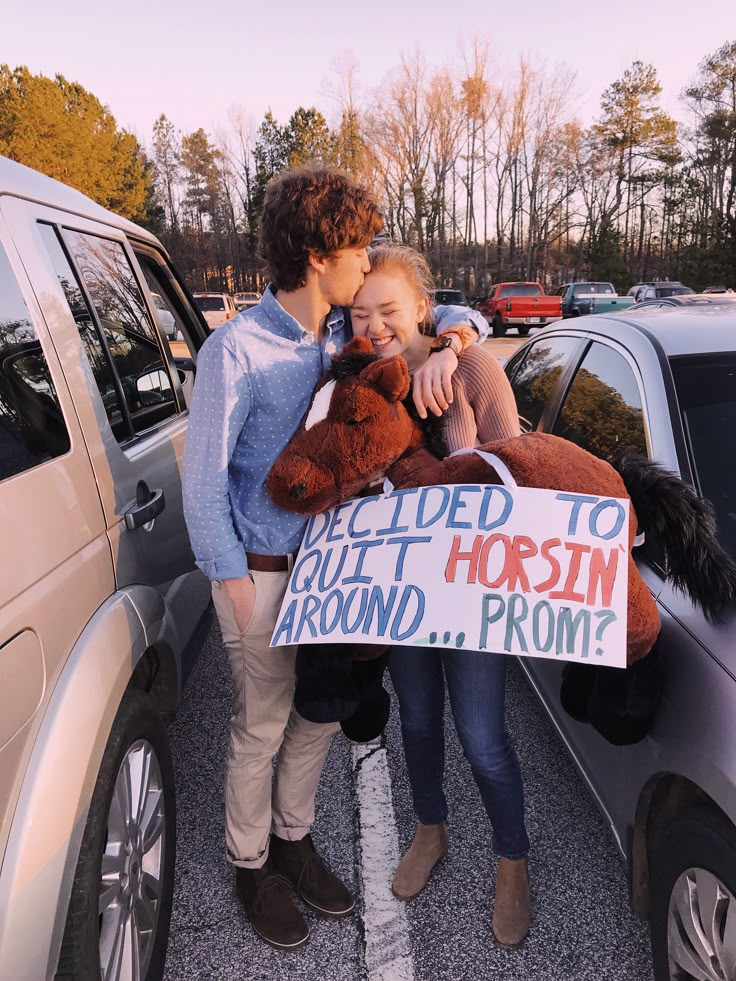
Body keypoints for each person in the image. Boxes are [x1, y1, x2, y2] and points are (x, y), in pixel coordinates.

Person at [181, 168, 485, 951]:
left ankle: (294, 840)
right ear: (319, 257)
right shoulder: (233, 350)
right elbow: (204, 477)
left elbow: (440, 308)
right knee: (262, 723)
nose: (366, 261)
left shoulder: (337, 335)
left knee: (317, 719)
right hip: (259, 570)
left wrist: (454, 342)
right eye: (356, 249)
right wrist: (230, 575)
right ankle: (250, 866)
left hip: (330, 570)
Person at [350, 243, 531, 948]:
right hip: (405, 595)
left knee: (483, 738)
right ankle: (430, 828)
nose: (376, 325)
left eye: (389, 310)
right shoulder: (365, 380)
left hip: (474, 591)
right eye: (361, 313)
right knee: (418, 721)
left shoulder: (474, 367)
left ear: (423, 309)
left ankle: (512, 859)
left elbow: (517, 480)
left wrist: (456, 348)